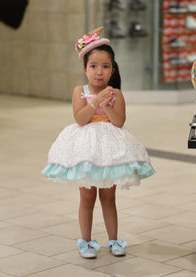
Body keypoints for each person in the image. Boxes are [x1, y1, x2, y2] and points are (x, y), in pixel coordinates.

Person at [42, 26, 155, 259]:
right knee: (86, 197)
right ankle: (86, 241)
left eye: (105, 67)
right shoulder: (78, 92)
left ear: (112, 70)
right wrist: (95, 103)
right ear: (85, 69)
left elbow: (119, 122)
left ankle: (113, 240)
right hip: (86, 150)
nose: (99, 72)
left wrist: (108, 103)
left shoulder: (117, 94)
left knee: (109, 197)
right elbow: (80, 119)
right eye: (93, 66)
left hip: (109, 151)